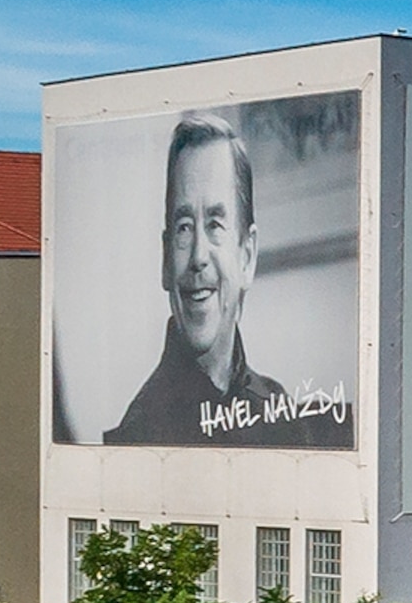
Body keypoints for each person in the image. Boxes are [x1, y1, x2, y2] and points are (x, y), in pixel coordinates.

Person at [104, 114, 346, 448]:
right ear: (164, 260)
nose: (198, 256)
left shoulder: (280, 411)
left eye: (215, 225)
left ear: (247, 256)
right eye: (184, 228)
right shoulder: (139, 435)